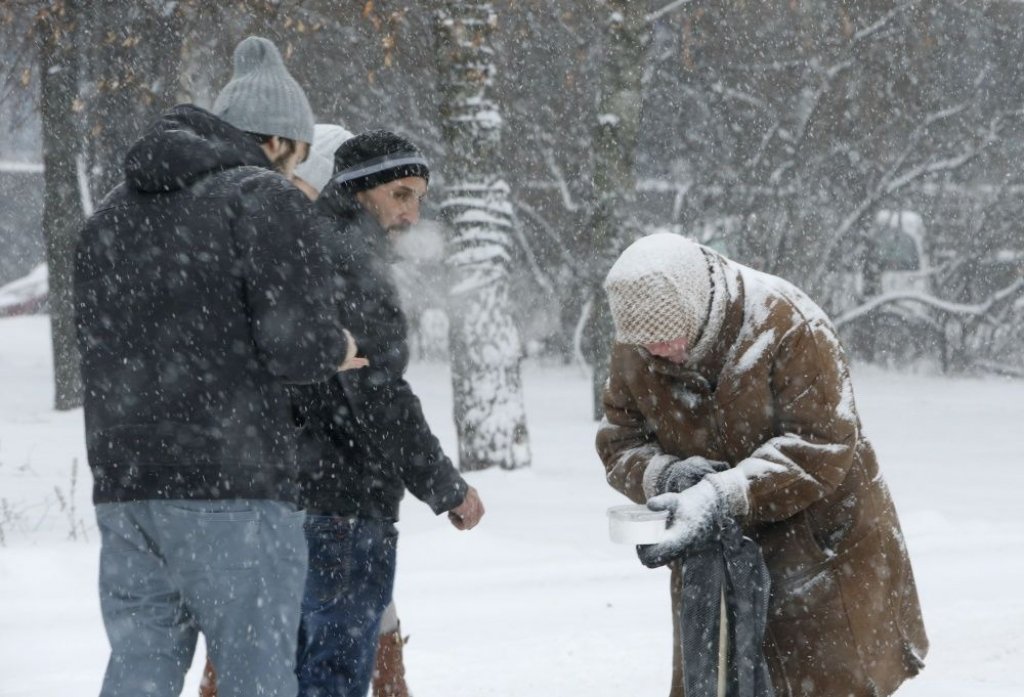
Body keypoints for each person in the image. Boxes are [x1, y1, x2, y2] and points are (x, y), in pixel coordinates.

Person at [75, 36, 363, 697]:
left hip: (126, 487)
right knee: (256, 679)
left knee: (140, 673)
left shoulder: (110, 217)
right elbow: (295, 346)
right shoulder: (262, 198)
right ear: (282, 141)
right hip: (233, 486)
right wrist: (337, 346)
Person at [596, 233, 928, 697]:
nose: (657, 351)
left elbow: (824, 443)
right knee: (722, 680)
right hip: (716, 563)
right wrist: (667, 475)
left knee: (820, 683)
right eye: (644, 342)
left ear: (696, 305)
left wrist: (723, 494)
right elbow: (620, 440)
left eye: (668, 335)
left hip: (817, 547)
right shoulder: (638, 345)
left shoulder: (790, 325)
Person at [290, 129, 485, 697]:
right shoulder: (349, 258)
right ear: (358, 190)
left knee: (296, 663)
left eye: (420, 197)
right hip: (343, 499)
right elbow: (377, 393)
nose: (411, 212)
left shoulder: (308, 243)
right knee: (335, 667)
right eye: (401, 194)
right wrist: (446, 486)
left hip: (294, 493)